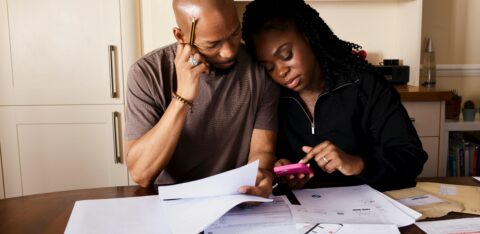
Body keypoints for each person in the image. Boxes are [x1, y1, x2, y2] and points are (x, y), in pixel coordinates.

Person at [242, 0, 428, 191]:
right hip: (301, 211)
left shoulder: (365, 85)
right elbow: (267, 159)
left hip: (368, 207)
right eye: (268, 67)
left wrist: (356, 164)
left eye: (287, 55)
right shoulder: (272, 97)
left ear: (308, 38)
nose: (280, 72)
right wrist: (280, 169)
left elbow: (411, 158)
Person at [124, 0, 279, 198]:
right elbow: (141, 173)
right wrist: (183, 97)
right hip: (169, 201)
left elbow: (262, 150)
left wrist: (260, 176)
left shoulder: (260, 66)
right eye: (213, 44)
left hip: (235, 197)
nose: (229, 51)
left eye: (234, 33)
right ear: (181, 36)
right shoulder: (147, 73)